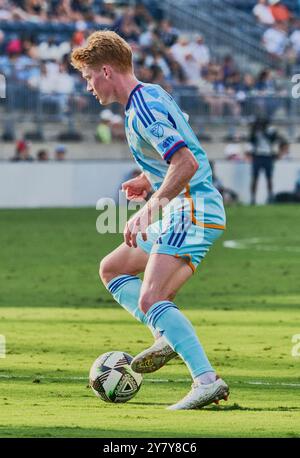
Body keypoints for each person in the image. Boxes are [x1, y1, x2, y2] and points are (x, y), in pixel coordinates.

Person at [71, 31, 229, 410]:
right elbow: (182, 148)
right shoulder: (151, 95)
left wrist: (150, 207)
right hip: (186, 206)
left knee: (152, 296)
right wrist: (149, 179)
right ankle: (166, 335)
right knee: (113, 269)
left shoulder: (143, 108)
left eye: (89, 76)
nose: (89, 86)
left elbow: (187, 163)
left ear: (106, 70)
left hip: (192, 207)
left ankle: (206, 380)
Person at [249, 116, 286, 204]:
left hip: (268, 156)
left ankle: (270, 196)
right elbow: (251, 140)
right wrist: (254, 130)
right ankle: (253, 198)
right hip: (257, 156)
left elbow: (272, 140)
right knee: (254, 178)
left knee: (269, 178)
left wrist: (263, 131)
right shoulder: (255, 130)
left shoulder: (271, 130)